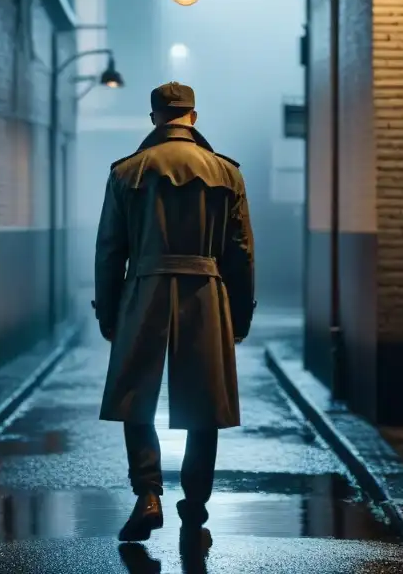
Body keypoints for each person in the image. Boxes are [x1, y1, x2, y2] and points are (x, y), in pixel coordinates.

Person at [92, 81, 256, 543]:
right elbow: (240, 252)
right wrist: (239, 317)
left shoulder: (126, 172)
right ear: (193, 117)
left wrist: (109, 314)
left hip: (144, 289)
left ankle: (148, 495)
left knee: (134, 396)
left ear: (154, 119)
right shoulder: (226, 173)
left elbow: (109, 250)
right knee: (205, 402)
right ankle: (195, 505)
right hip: (205, 289)